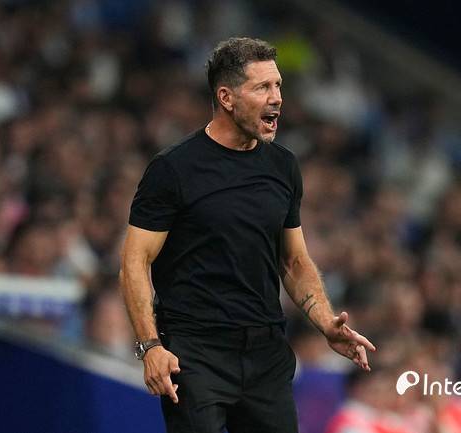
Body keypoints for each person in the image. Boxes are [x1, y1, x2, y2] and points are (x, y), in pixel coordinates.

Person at [119, 37, 376, 433]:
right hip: (195, 354)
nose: (277, 98)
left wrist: (326, 322)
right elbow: (135, 261)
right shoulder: (173, 169)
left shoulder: (283, 166)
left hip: (265, 356)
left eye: (278, 86)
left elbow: (293, 260)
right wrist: (150, 346)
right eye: (262, 88)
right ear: (226, 97)